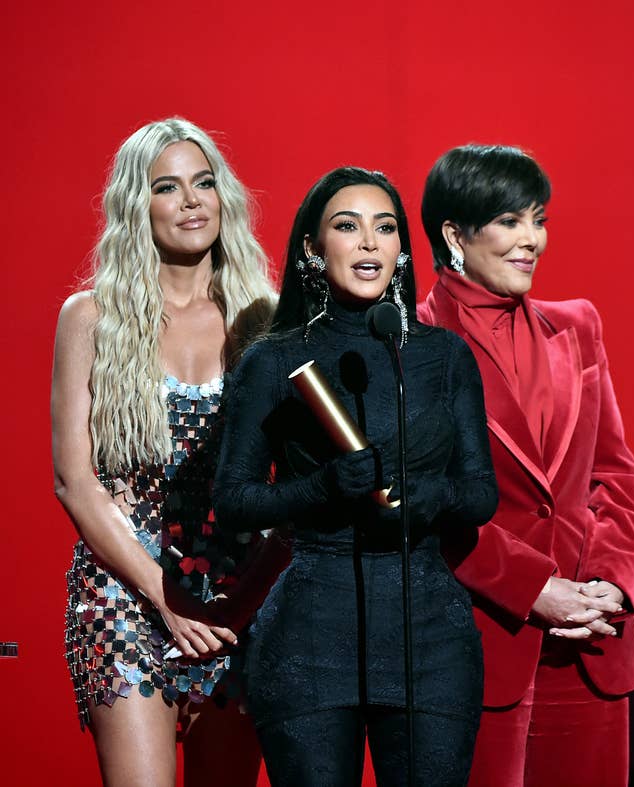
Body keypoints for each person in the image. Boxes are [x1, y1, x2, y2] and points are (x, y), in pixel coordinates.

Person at [213, 166, 498, 786]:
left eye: (385, 228)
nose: (369, 242)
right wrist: (320, 489)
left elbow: (480, 494)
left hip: (430, 639)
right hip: (312, 635)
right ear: (313, 250)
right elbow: (233, 500)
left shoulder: (445, 357)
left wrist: (436, 494)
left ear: (400, 250)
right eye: (348, 226)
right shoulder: (274, 359)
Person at [52, 117, 281, 786]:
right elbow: (74, 480)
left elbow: (295, 481)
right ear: (136, 205)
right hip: (125, 592)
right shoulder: (90, 317)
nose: (191, 201)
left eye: (204, 182)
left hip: (236, 599)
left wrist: (234, 599)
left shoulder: (265, 317)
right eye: (168, 187)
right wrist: (163, 593)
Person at [418, 144, 634, 787]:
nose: (532, 241)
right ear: (454, 234)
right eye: (510, 221)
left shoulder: (577, 326)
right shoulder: (413, 344)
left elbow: (619, 475)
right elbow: (426, 502)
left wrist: (612, 581)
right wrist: (535, 589)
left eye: (539, 219)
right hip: (481, 646)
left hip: (592, 644)